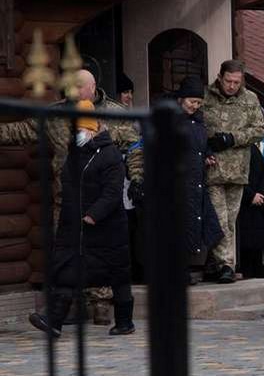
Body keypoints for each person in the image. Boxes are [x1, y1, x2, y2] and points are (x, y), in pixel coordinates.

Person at [0, 69, 143, 325]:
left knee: (101, 258)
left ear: (93, 87)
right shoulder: (57, 113)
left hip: (101, 205)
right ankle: (65, 309)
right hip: (65, 204)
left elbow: (134, 149)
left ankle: (103, 305)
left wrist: (139, 179)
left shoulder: (115, 113)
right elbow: (22, 130)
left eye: (79, 87)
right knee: (67, 257)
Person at [28, 101, 135, 337]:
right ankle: (53, 320)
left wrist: (93, 215)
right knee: (66, 269)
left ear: (93, 129)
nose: (76, 134)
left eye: (80, 130)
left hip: (103, 228)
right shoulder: (74, 154)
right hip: (73, 225)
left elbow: (112, 192)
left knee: (117, 276)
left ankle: (125, 321)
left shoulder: (110, 155)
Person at [202, 60, 264, 284]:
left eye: (236, 82)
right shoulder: (205, 97)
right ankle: (227, 265)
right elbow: (195, 125)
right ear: (220, 77)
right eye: (228, 81)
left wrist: (233, 138)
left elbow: (261, 129)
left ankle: (214, 263)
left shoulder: (250, 99)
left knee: (230, 220)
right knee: (220, 220)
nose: (232, 86)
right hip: (213, 169)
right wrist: (208, 144)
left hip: (238, 170)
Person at [171, 75, 223, 285]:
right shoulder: (171, 120)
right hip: (178, 182)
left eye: (199, 103)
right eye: (192, 101)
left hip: (196, 182)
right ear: (181, 99)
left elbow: (198, 145)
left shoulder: (198, 121)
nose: (195, 106)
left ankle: (208, 265)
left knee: (205, 225)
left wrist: (207, 153)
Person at [237, 131, 264, 278]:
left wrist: (261, 193)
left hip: (260, 202)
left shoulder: (252, 149)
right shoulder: (237, 150)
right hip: (243, 203)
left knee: (261, 242)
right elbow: (234, 177)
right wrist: (250, 195)